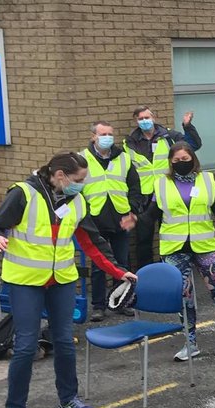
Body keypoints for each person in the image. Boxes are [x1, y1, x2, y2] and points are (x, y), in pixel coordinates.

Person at [0, 152, 138, 408]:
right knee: (26, 346)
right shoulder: (23, 193)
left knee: (64, 341)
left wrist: (119, 271)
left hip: (62, 279)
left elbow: (92, 242)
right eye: (79, 179)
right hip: (25, 280)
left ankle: (68, 400)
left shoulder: (77, 201)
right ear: (60, 176)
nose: (82, 184)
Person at [132, 143, 215, 361]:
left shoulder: (207, 180)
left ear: (193, 159)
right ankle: (190, 343)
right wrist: (135, 219)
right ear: (170, 162)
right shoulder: (161, 183)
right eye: (176, 160)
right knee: (184, 297)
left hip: (205, 245)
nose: (181, 163)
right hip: (174, 248)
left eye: (185, 159)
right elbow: (152, 214)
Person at [124, 106, 201, 269]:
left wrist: (187, 126)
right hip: (144, 197)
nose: (144, 121)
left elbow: (194, 145)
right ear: (136, 121)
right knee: (143, 239)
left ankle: (170, 269)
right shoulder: (130, 142)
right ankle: (146, 273)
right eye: (140, 119)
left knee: (171, 235)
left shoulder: (169, 136)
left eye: (147, 117)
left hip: (168, 192)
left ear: (153, 117)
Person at [82, 121, 142, 322]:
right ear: (93, 137)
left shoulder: (123, 158)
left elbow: (135, 187)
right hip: (94, 220)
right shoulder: (82, 159)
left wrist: (133, 210)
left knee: (122, 262)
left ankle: (120, 302)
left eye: (110, 134)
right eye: (103, 134)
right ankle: (98, 306)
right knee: (99, 265)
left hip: (120, 218)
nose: (107, 137)